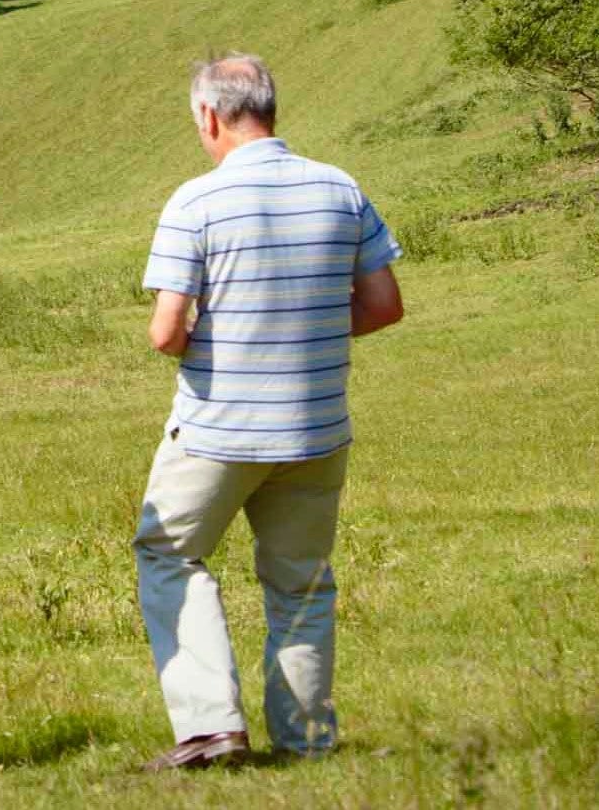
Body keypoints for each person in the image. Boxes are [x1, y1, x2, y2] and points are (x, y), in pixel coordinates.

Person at [134, 53, 406, 771]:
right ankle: (307, 737)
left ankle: (210, 725)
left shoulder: (194, 202)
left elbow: (166, 332)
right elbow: (384, 305)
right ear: (270, 109)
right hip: (317, 426)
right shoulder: (340, 188)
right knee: (302, 580)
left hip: (220, 429)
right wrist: (303, 325)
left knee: (169, 551)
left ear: (208, 116)